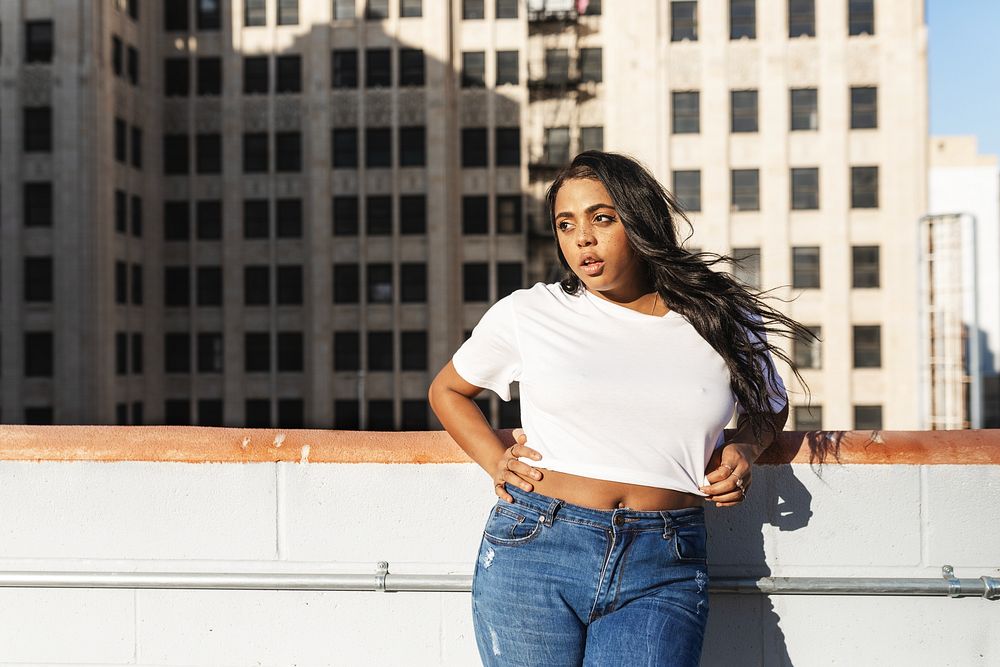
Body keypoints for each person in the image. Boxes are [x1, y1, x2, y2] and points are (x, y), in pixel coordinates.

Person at [428, 151, 815, 666]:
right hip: (537, 546)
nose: (581, 238)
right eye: (565, 225)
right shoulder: (532, 311)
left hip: (666, 560)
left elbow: (769, 404)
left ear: (640, 218)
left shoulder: (722, 315)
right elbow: (447, 391)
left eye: (601, 218)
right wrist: (495, 460)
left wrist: (745, 445)